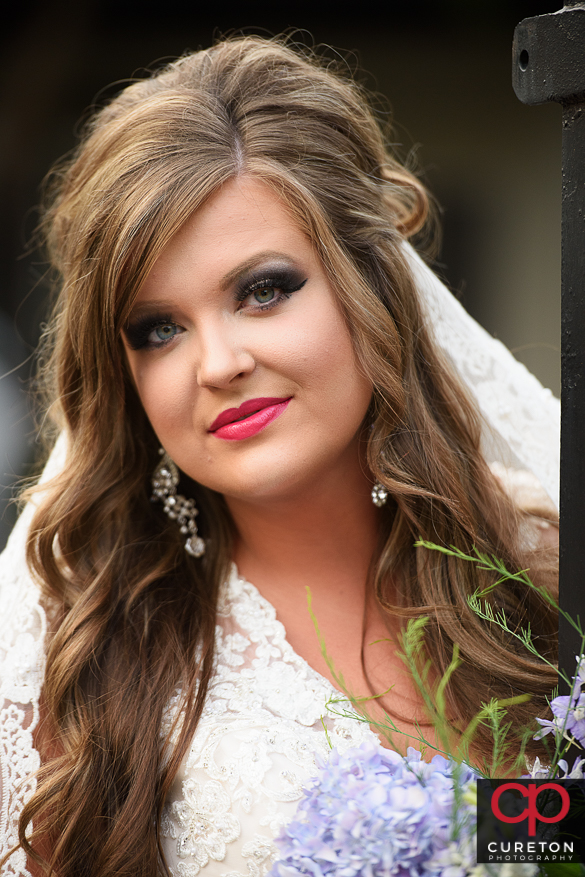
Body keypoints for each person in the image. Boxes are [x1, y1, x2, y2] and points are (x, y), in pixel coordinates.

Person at [0, 35, 560, 877]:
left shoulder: (543, 563)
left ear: (368, 283)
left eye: (261, 289)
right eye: (159, 329)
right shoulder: (78, 660)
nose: (217, 362)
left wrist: (452, 838)